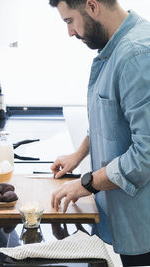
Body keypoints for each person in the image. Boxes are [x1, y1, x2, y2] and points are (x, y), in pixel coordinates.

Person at [48, 0, 150, 266]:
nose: (70, 32)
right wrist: (79, 154)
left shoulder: (136, 56)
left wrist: (86, 183)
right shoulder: (116, 48)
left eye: (69, 21)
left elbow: (145, 155)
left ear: (92, 6)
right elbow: (111, 117)